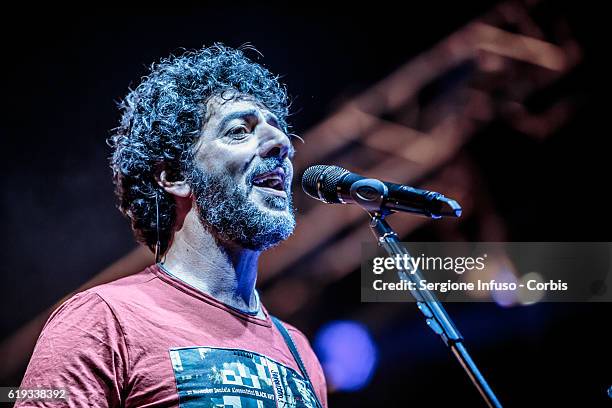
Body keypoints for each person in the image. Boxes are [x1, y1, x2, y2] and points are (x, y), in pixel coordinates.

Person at [16, 44, 327, 408]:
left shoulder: (300, 353)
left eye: (278, 131)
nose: (281, 144)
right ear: (176, 176)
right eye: (240, 131)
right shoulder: (103, 319)